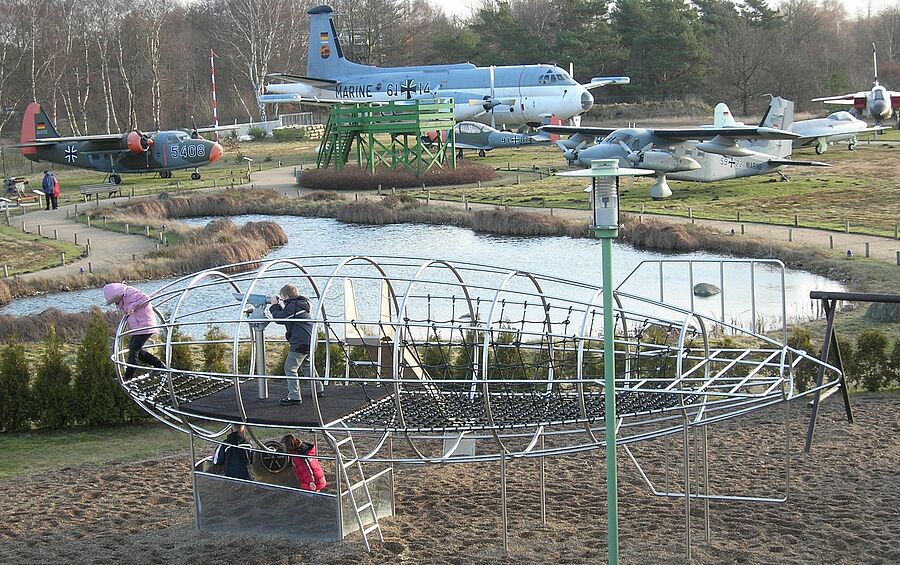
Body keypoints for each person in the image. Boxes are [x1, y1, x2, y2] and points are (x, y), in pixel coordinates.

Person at [268, 284, 324, 405]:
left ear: (287, 296)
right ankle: (318, 389)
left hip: (300, 342)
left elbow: (280, 318)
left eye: (282, 298)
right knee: (307, 365)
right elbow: (288, 315)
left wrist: (274, 305)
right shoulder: (300, 304)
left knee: (290, 368)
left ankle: (294, 396)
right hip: (311, 341)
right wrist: (280, 305)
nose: (282, 300)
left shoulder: (293, 306)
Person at [103, 282, 166, 381]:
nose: (115, 303)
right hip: (137, 327)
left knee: (133, 352)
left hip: (144, 325)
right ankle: (159, 366)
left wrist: (133, 306)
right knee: (138, 352)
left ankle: (128, 377)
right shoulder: (122, 299)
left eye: (115, 300)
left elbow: (146, 299)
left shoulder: (131, 293)